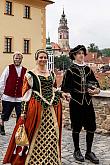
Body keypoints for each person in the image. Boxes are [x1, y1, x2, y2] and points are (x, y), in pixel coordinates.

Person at [3, 49, 68, 165]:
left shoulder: (51, 74)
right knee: (34, 133)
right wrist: (23, 113)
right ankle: (33, 159)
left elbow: (53, 89)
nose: (43, 59)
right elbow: (25, 95)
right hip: (36, 108)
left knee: (51, 134)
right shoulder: (30, 75)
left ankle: (50, 159)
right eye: (40, 57)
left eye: (45, 57)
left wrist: (62, 94)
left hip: (51, 110)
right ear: (36, 59)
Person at [61, 45, 100, 164]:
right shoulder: (70, 70)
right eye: (78, 53)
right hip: (76, 103)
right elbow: (64, 88)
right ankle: (77, 150)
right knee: (76, 127)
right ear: (74, 55)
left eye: (83, 53)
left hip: (88, 102)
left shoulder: (88, 69)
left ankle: (89, 152)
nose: (81, 55)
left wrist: (96, 90)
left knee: (91, 127)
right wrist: (66, 94)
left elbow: (97, 86)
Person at [0, 52, 27, 135]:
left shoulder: (25, 70)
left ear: (21, 59)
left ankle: (17, 130)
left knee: (19, 115)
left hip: (19, 98)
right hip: (7, 96)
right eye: (16, 58)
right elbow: (2, 80)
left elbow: (26, 84)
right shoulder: (8, 68)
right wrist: (1, 93)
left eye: (19, 58)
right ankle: (1, 127)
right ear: (13, 59)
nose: (17, 60)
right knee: (5, 114)